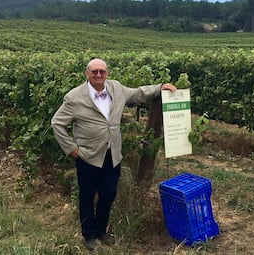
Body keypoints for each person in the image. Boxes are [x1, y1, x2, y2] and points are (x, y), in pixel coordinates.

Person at [51, 58, 177, 251]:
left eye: (102, 71)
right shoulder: (74, 97)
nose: (99, 75)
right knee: (86, 196)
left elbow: (138, 93)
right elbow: (57, 123)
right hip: (87, 156)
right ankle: (88, 234)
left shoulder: (116, 88)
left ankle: (101, 229)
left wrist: (160, 87)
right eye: (94, 72)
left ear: (107, 73)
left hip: (112, 155)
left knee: (108, 194)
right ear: (87, 73)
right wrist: (72, 149)